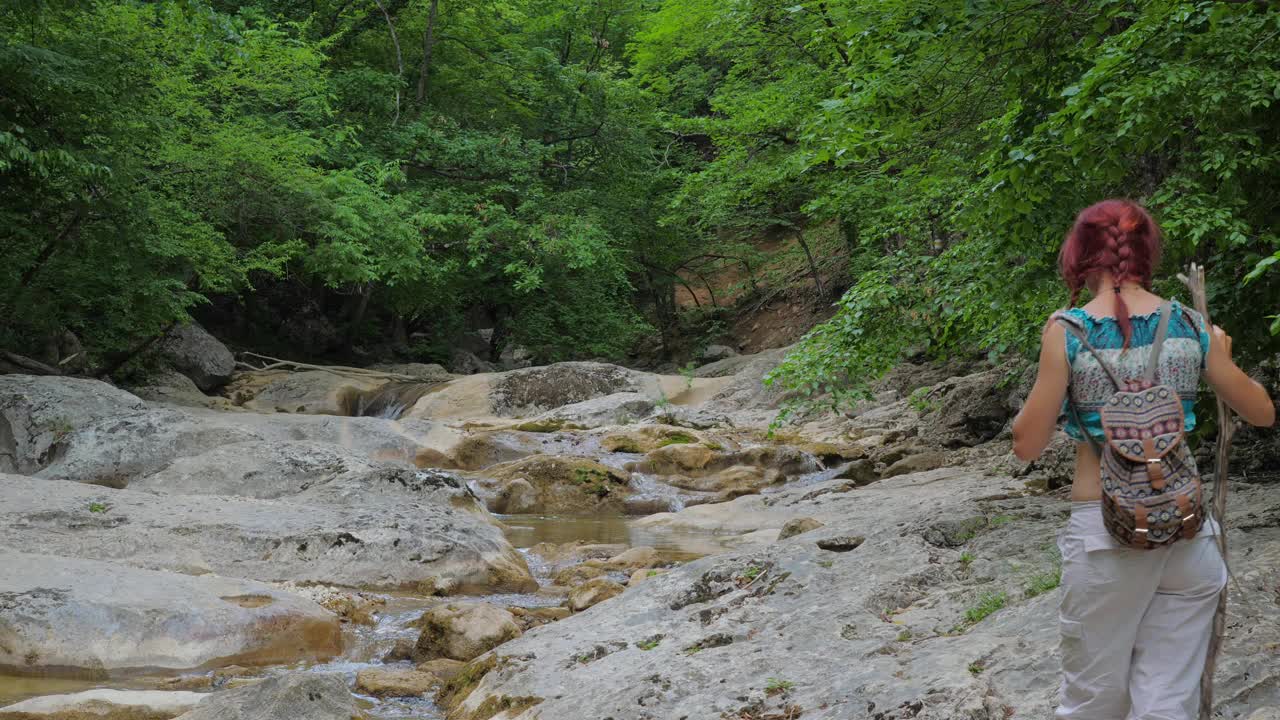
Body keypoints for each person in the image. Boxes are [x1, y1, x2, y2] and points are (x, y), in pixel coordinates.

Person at [1010, 198, 1275, 720]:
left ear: (1082, 257)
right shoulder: (1189, 325)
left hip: (1106, 535)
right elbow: (1262, 412)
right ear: (1146, 253)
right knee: (1166, 700)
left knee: (1092, 701)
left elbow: (1027, 444)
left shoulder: (1068, 330)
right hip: (1185, 532)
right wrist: (1217, 351)